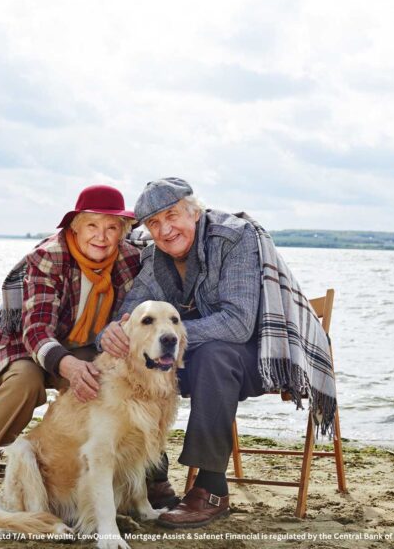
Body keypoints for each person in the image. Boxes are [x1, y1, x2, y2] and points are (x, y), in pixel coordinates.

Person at [0, 184, 179, 511]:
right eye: (92, 226)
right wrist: (69, 367)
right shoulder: (49, 257)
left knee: (135, 378)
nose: (101, 237)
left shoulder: (131, 259)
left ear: (123, 232)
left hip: (91, 348)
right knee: (24, 382)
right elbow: (35, 331)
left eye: (111, 228)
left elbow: (161, 244)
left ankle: (151, 475)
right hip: (31, 347)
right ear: (74, 228)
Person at [98, 177, 266, 528]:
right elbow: (130, 312)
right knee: (143, 364)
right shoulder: (157, 257)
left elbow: (238, 323)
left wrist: (169, 336)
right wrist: (112, 332)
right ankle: (153, 478)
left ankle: (211, 489)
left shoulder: (234, 237)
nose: (165, 229)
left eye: (172, 215)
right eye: (154, 223)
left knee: (209, 356)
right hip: (190, 356)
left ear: (193, 211)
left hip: (250, 356)